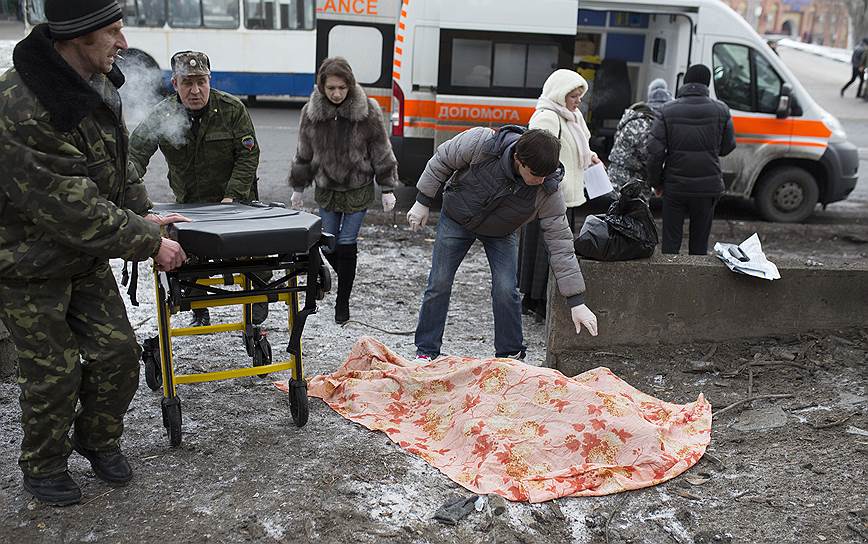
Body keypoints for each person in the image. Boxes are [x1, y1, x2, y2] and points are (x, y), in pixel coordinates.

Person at [0, 0, 187, 506]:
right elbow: (70, 208)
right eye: (113, 32)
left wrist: (144, 214)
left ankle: (97, 441)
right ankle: (43, 465)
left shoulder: (97, 82)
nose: (124, 44)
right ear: (76, 37)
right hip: (26, 266)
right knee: (54, 372)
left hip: (82, 258)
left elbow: (117, 162)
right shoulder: (21, 104)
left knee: (119, 355)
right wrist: (148, 243)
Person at [407, 126, 598, 362]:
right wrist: (422, 200)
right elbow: (442, 159)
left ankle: (510, 354)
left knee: (506, 289)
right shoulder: (482, 143)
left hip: (501, 232)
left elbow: (560, 243)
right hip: (456, 218)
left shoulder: (548, 189)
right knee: (439, 282)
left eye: (545, 175)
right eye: (535, 173)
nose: (540, 180)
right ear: (519, 159)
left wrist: (576, 301)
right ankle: (426, 350)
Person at [129, 50, 265, 327]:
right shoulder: (163, 113)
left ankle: (258, 298)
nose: (195, 90)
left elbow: (248, 154)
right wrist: (130, 197)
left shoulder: (231, 109)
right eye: (187, 83)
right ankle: (198, 307)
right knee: (186, 256)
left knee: (254, 252)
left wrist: (232, 197)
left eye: (201, 82)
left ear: (209, 80)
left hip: (234, 201)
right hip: (190, 203)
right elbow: (134, 155)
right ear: (175, 84)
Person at [289, 57, 398, 324]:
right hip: (326, 188)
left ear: (350, 85)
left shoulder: (367, 110)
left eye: (341, 87)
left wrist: (387, 187)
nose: (337, 93)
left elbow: (381, 149)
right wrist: (298, 188)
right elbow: (304, 152)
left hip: (357, 187)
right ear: (322, 87)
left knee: (347, 243)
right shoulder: (311, 113)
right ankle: (344, 278)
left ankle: (342, 302)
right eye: (331, 88)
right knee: (327, 244)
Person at [517, 69, 600, 322]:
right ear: (560, 94)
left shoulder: (572, 117)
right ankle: (537, 300)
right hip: (548, 195)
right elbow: (538, 154)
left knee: (552, 250)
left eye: (579, 96)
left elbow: (575, 149)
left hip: (566, 194)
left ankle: (537, 299)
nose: (578, 101)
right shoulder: (548, 117)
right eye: (573, 96)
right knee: (546, 251)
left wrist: (590, 156)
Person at [646, 64, 736, 255]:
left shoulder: (666, 110)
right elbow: (729, 146)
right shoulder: (721, 110)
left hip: (675, 185)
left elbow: (654, 152)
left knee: (670, 243)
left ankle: (669, 281)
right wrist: (710, 151)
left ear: (685, 82)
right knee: (699, 244)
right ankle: (697, 282)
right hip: (708, 187)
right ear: (707, 83)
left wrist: (656, 182)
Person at [607, 78, 673, 193]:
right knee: (633, 210)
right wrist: (658, 182)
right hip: (629, 180)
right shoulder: (645, 125)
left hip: (619, 175)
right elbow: (649, 158)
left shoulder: (635, 117)